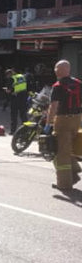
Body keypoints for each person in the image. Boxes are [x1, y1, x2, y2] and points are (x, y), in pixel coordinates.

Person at [44, 59, 82, 192]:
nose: (55, 70)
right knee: (67, 147)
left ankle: (64, 184)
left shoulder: (58, 85)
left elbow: (53, 107)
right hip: (76, 119)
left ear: (59, 70)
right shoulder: (78, 83)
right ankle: (74, 171)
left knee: (60, 152)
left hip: (63, 121)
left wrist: (48, 123)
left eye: (56, 68)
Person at [5, 68, 28, 134]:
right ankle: (26, 130)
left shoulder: (11, 78)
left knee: (14, 115)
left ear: (9, 74)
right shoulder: (22, 76)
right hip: (23, 96)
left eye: (7, 75)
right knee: (23, 115)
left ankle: (13, 131)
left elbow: (9, 90)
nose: (7, 77)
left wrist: (7, 90)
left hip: (15, 97)